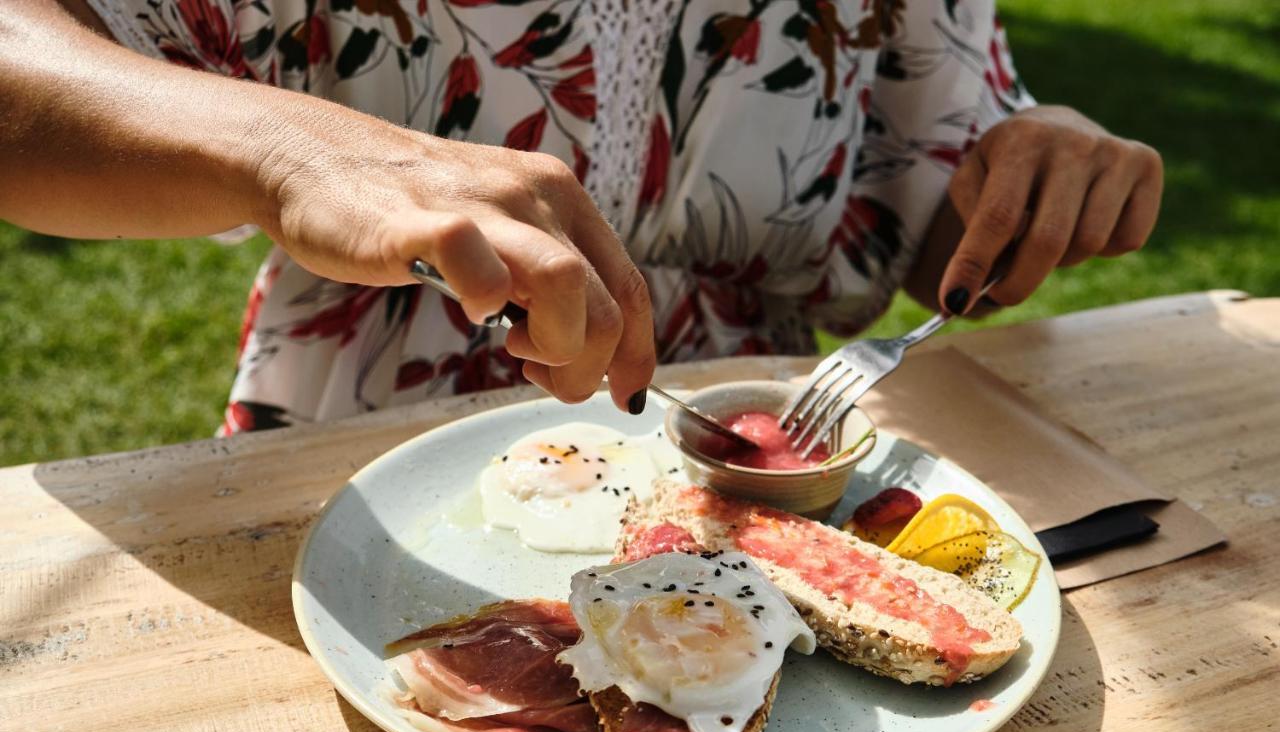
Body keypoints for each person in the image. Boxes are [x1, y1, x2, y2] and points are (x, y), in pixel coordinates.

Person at [0, 1, 1161, 431]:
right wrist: (288, 149)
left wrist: (1034, 175)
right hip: (354, 469)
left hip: (756, 467)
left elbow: (932, 235)